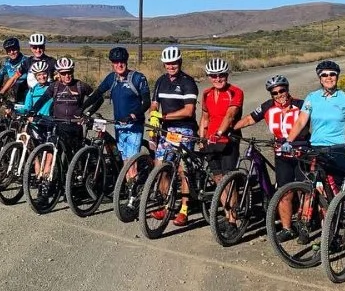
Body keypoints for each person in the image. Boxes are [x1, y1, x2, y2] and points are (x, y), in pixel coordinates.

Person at [234, 74, 306, 240]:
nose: (280, 95)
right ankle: (287, 228)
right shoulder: (267, 106)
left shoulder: (301, 105)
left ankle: (305, 225)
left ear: (288, 89)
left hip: (302, 153)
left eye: (282, 90)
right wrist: (230, 130)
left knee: (304, 191)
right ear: (271, 94)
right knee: (284, 192)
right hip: (281, 154)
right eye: (275, 92)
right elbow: (249, 120)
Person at [281, 59, 345, 184]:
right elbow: (301, 121)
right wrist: (288, 141)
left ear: (337, 76)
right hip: (317, 149)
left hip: (338, 148)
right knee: (316, 188)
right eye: (324, 75)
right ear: (320, 79)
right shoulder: (312, 97)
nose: (329, 77)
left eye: (332, 74)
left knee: (336, 188)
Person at [147, 46, 199, 225]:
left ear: (180, 62)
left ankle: (184, 208)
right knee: (159, 166)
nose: (171, 66)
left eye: (174, 63)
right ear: (164, 64)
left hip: (185, 130)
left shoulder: (188, 82)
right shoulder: (161, 81)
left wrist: (163, 116)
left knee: (182, 169)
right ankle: (166, 204)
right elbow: (154, 103)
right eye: (168, 63)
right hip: (166, 130)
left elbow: (189, 110)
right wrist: (154, 114)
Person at [85, 46, 150, 162]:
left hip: (133, 125)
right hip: (118, 124)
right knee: (123, 159)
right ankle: (126, 180)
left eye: (122, 62)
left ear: (126, 62)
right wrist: (82, 109)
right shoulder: (112, 78)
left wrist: (133, 116)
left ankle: (132, 180)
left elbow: (147, 102)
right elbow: (97, 94)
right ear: (112, 63)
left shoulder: (138, 78)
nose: (119, 65)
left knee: (130, 163)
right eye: (116, 62)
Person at [199, 57, 244, 180]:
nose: (218, 79)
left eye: (221, 75)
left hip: (229, 139)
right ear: (209, 76)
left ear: (227, 75)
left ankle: (233, 200)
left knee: (227, 179)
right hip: (211, 141)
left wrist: (219, 133)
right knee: (217, 177)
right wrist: (202, 139)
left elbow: (230, 116)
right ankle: (220, 200)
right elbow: (205, 118)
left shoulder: (235, 92)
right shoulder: (206, 93)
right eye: (214, 76)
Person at [0, 37, 31, 103]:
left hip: (27, 97)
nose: (12, 52)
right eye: (9, 50)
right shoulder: (6, 63)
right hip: (12, 97)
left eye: (14, 49)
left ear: (18, 48)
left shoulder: (27, 61)